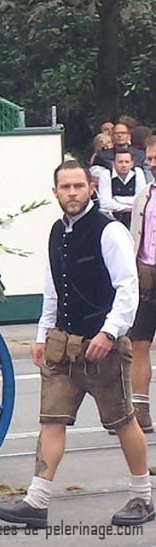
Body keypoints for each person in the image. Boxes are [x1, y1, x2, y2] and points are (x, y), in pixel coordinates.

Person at [0, 160, 153, 530]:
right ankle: (36, 502)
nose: (73, 193)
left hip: (103, 347)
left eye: (79, 186)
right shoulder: (54, 232)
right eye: (66, 187)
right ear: (55, 193)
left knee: (123, 422)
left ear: (90, 189)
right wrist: (41, 335)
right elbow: (52, 289)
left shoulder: (108, 231)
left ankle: (142, 497)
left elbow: (128, 289)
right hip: (62, 345)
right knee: (51, 421)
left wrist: (110, 333)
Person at [125, 136, 156, 436]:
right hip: (146, 275)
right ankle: (140, 410)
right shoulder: (144, 195)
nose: (152, 163)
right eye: (149, 158)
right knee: (139, 344)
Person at [97, 149, 145, 227]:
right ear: (113, 163)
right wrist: (127, 208)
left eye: (127, 162)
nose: (124, 165)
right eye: (120, 162)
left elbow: (140, 199)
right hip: (112, 218)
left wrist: (116, 199)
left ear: (132, 163)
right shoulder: (106, 174)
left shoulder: (138, 172)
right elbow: (104, 203)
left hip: (134, 217)